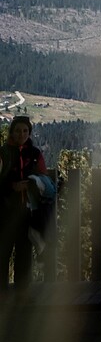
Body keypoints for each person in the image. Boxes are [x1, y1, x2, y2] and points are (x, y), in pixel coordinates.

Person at [1, 115, 55, 289]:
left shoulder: (34, 153)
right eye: (17, 130)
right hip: (6, 211)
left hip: (28, 211)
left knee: (24, 254)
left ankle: (21, 294)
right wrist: (12, 186)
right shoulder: (3, 153)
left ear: (29, 132)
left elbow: (44, 176)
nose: (21, 134)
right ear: (11, 131)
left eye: (25, 130)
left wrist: (34, 182)